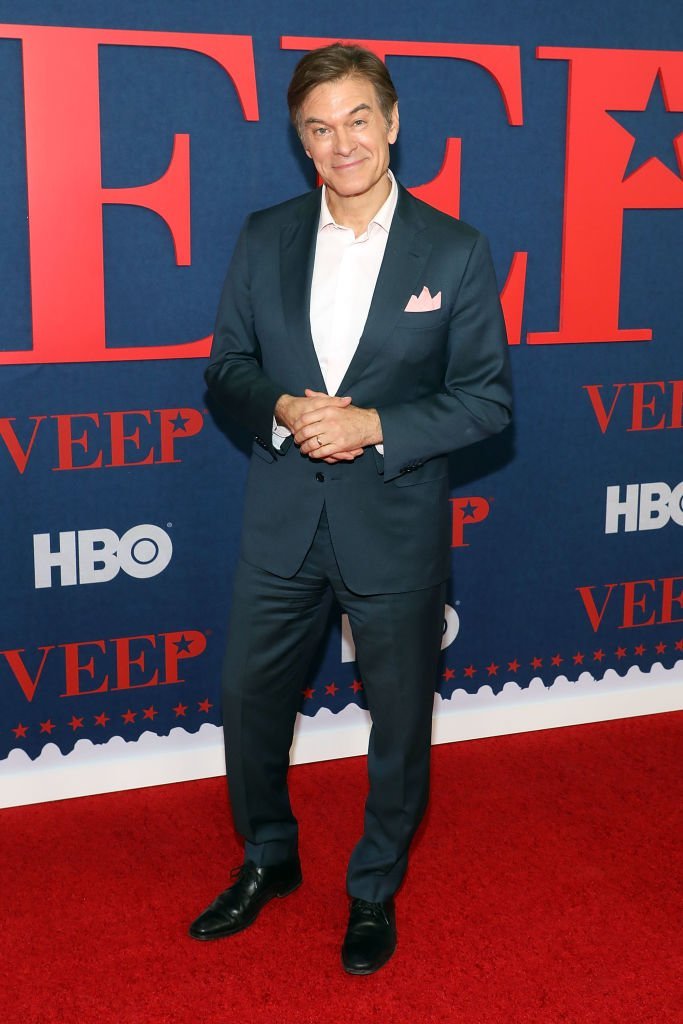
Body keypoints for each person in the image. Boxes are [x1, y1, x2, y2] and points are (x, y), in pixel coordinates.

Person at [190, 42, 512, 975]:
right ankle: (268, 858)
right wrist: (285, 410)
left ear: (393, 121)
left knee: (399, 722)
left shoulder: (453, 250)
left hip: (394, 526)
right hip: (282, 521)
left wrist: (375, 422)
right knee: (248, 704)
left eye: (357, 120)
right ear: (301, 142)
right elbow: (227, 370)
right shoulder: (263, 237)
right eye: (318, 129)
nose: (342, 144)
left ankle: (373, 888)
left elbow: (488, 400)